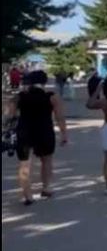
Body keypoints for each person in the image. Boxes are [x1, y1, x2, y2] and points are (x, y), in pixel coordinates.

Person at [5, 71, 68, 205]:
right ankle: (46, 188)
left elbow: (9, 116)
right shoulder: (52, 97)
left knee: (24, 163)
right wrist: (64, 134)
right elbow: (60, 117)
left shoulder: (19, 97)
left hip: (24, 132)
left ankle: (28, 195)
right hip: (44, 131)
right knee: (47, 160)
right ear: (45, 82)